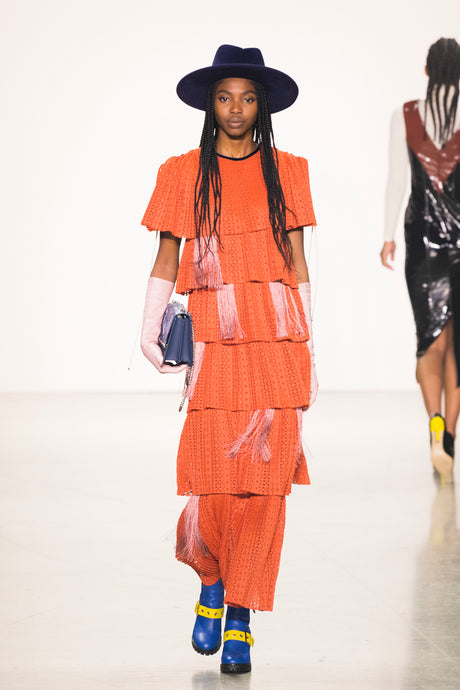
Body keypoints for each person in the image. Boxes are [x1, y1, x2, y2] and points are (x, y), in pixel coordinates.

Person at [140, 44, 317, 674]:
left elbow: (296, 264)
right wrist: (150, 327)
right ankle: (212, 581)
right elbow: (168, 254)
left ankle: (240, 615)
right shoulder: (181, 171)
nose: (235, 108)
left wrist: (308, 347)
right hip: (215, 340)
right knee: (211, 481)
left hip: (276, 342)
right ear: (209, 104)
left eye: (247, 97)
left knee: (265, 490)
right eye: (224, 97)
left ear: (262, 104)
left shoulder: (289, 171)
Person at [380, 37, 460, 483]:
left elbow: (398, 180)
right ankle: (449, 437)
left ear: (427, 70)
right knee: (456, 345)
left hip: (422, 241)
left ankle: (434, 425)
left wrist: (387, 237)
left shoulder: (406, 115)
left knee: (430, 340)